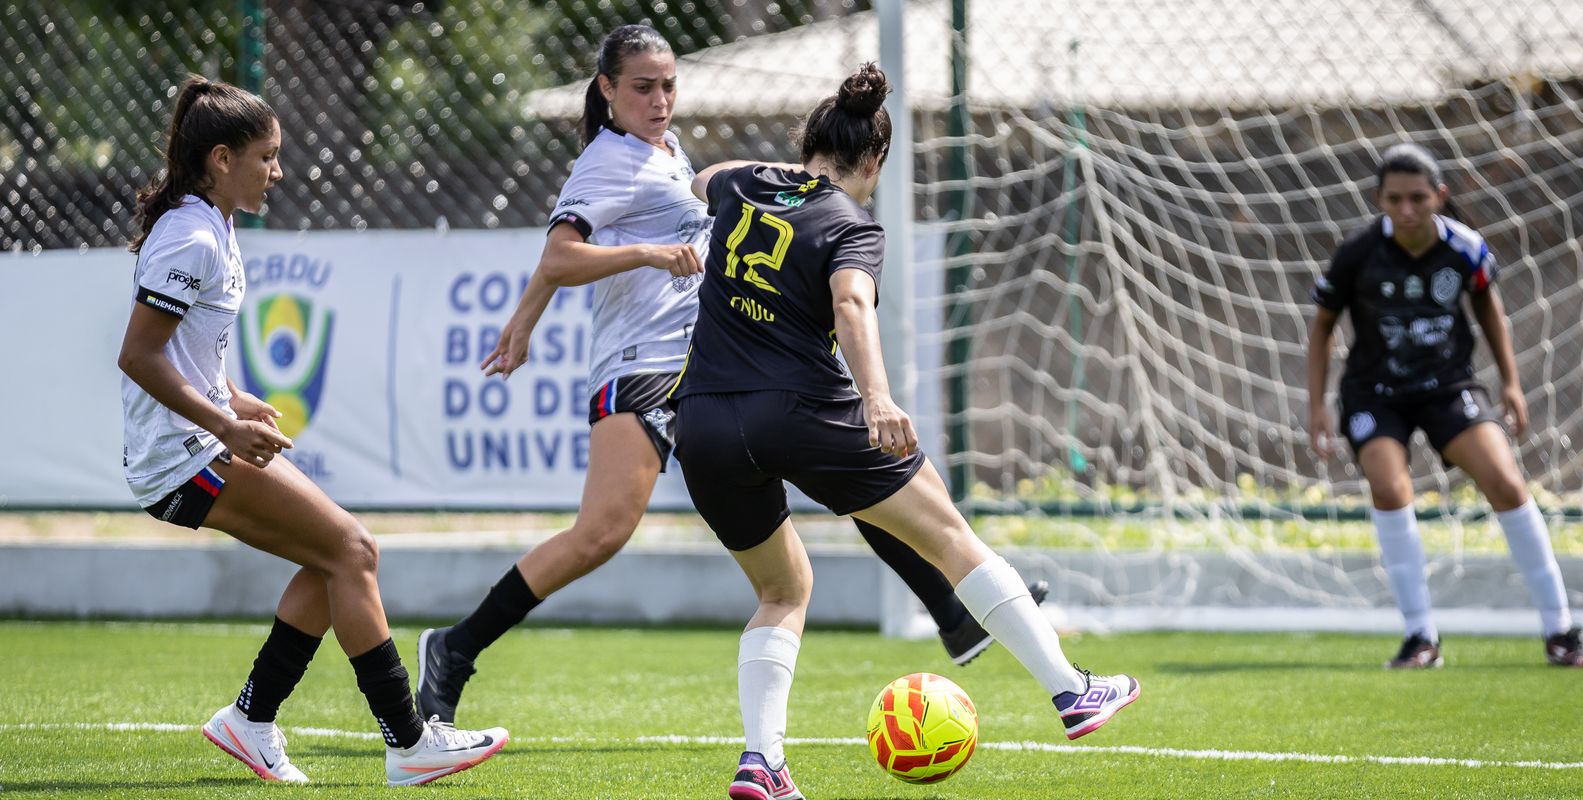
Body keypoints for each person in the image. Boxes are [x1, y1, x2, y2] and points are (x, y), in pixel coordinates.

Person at [414, 25, 1044, 725]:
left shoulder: (665, 151)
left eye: (668, 86)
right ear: (607, 89)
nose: (660, 101)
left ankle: (949, 611)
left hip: (710, 361)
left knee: (844, 460)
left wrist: (525, 321)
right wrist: (648, 256)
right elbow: (560, 255)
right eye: (642, 88)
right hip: (645, 364)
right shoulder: (609, 159)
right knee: (601, 533)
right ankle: (455, 647)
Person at [669, 63, 1139, 800]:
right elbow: (851, 305)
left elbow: (705, 177)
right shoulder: (850, 224)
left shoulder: (744, 184)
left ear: (807, 145)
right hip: (802, 410)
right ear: (876, 159)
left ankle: (763, 762)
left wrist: (779, 175)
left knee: (782, 590)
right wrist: (878, 398)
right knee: (950, 536)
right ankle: (1071, 691)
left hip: (702, 422)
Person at [117, 75, 510, 787]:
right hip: (181, 457)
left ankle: (250, 720)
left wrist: (234, 398)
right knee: (353, 551)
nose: (278, 170)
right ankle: (409, 743)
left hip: (197, 441)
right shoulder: (191, 235)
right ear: (221, 160)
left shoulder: (213, 224)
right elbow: (138, 356)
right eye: (267, 156)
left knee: (337, 559)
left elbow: (189, 350)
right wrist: (223, 423)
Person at [1308, 143, 1583, 669]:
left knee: (1506, 482)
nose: (1406, 210)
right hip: (1375, 392)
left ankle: (1562, 632)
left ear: (1439, 196)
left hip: (1447, 387)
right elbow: (1323, 326)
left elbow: (1487, 305)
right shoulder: (1357, 254)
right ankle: (1420, 636)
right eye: (1394, 199)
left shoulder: (1465, 247)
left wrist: (1510, 382)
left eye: (1418, 198)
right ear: (1379, 200)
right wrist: (1317, 406)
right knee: (1389, 487)